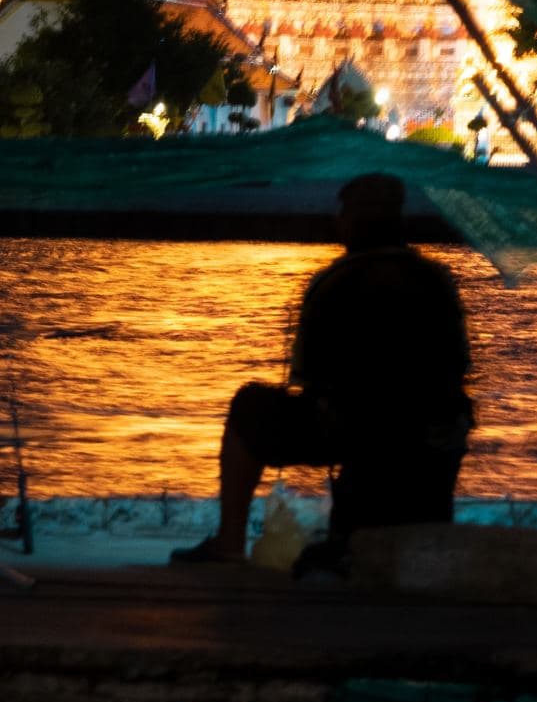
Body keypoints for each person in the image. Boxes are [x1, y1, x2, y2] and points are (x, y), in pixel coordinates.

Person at [173, 172, 474, 567]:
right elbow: (459, 367)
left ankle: (229, 545)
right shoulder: (438, 280)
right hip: (433, 437)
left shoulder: (334, 282)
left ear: (348, 222)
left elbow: (309, 381)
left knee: (250, 405)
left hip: (361, 433)